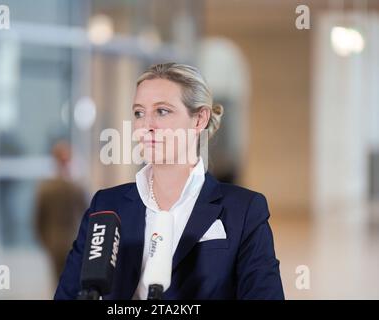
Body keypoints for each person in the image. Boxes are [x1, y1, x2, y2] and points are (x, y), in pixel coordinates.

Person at [54, 63, 284, 299]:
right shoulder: (106, 206)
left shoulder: (243, 211)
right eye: (139, 113)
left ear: (199, 119)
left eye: (162, 111)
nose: (146, 126)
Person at [34, 140, 87, 281]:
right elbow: (88, 211)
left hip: (56, 242)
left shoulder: (46, 187)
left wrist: (47, 242)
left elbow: (38, 220)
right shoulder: (76, 186)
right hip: (71, 242)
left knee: (61, 285)